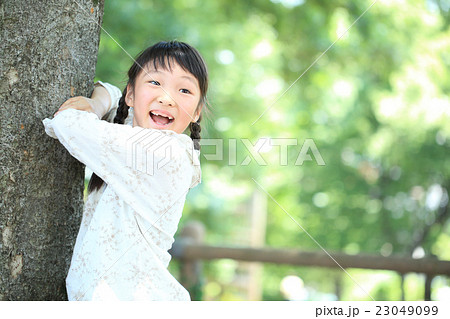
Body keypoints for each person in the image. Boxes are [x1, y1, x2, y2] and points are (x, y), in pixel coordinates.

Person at [42, 41, 208, 301]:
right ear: (130, 94)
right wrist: (97, 104)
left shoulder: (165, 153)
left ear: (196, 112)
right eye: (155, 82)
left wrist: (94, 107)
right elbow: (108, 90)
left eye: (184, 89)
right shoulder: (132, 137)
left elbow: (68, 123)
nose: (167, 97)